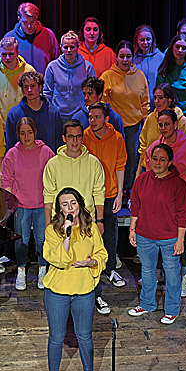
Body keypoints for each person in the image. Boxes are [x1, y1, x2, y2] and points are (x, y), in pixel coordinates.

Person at [41, 188, 107, 371]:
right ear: (59, 208)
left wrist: (92, 262)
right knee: (56, 337)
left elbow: (101, 253)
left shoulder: (91, 228)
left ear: (79, 203)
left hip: (83, 290)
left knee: (85, 337)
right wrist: (67, 236)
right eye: (64, 204)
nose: (69, 207)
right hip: (57, 291)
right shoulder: (53, 230)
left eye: (73, 203)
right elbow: (56, 259)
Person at [43, 120, 110, 315]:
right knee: (63, 258)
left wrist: (99, 221)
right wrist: (48, 225)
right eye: (70, 136)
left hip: (87, 223)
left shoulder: (93, 162)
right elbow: (48, 196)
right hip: (61, 223)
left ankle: (93, 296)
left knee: (90, 258)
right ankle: (60, 301)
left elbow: (99, 192)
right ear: (64, 138)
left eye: (79, 136)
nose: (75, 140)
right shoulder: (53, 164)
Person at [127, 143, 186, 323]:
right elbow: (136, 205)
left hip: (169, 237)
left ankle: (172, 309)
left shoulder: (178, 184)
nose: (157, 162)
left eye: (162, 159)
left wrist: (180, 240)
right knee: (147, 271)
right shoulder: (142, 179)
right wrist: (133, 229)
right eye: (154, 158)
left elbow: (183, 214)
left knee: (172, 273)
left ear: (170, 161)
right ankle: (147, 304)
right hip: (145, 235)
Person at [144, 108, 186, 298]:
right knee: (161, 236)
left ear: (176, 124)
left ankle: (185, 274)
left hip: (182, 201)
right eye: (160, 125)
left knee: (182, 239)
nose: (163, 128)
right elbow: (149, 173)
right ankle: (161, 271)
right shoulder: (154, 147)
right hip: (161, 202)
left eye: (167, 124)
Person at [0, 117, 55, 291]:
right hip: (21, 206)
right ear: (18, 135)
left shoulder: (46, 152)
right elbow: (6, 181)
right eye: (22, 133)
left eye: (29, 132)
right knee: (21, 241)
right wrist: (12, 203)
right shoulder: (12, 154)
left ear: (35, 132)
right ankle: (21, 271)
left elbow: (54, 175)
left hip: (41, 205)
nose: (26, 136)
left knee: (42, 240)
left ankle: (42, 270)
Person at [82, 103, 127, 288]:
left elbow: (120, 165)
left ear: (106, 119)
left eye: (97, 117)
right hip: (88, 194)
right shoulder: (84, 136)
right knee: (88, 232)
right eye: (90, 117)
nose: (92, 121)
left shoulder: (116, 138)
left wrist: (119, 195)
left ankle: (110, 269)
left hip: (109, 193)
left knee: (109, 232)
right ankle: (91, 269)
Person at [101, 39, 150, 202]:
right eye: (122, 56)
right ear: (116, 58)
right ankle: (113, 191)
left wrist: (145, 120)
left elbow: (145, 101)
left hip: (133, 126)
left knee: (131, 159)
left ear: (133, 57)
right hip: (113, 126)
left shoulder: (139, 75)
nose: (125, 60)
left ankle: (128, 192)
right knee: (114, 159)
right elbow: (102, 102)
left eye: (128, 56)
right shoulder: (107, 76)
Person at [136, 84, 186, 178]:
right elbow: (143, 148)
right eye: (155, 98)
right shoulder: (151, 118)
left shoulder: (182, 122)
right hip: (149, 171)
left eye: (160, 98)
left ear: (169, 99)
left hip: (174, 174)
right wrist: (138, 174)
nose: (156, 101)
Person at [5, 70, 63, 150]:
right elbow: (11, 145)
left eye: (32, 86)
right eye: (26, 87)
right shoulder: (14, 114)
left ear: (40, 87)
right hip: (23, 160)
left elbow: (59, 143)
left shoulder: (53, 112)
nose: (29, 90)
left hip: (49, 160)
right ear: (22, 90)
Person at [44, 30, 96, 119]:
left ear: (77, 47)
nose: (69, 51)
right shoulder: (52, 67)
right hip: (58, 115)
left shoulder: (87, 67)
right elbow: (47, 93)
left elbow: (93, 92)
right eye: (66, 47)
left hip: (81, 114)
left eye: (72, 47)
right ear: (61, 47)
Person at [0, 35, 35, 119]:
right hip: (0, 125)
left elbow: (36, 98)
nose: (7, 58)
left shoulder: (29, 70)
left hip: (25, 125)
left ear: (17, 53)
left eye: (11, 54)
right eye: (4, 54)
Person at [3, 1, 59, 74]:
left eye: (32, 22)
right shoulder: (9, 37)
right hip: (17, 84)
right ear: (19, 19)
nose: (29, 26)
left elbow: (56, 62)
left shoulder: (48, 35)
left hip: (44, 84)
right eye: (25, 22)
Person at [72, 76, 125, 140]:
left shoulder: (114, 118)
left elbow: (120, 144)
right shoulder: (77, 118)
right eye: (84, 94)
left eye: (90, 93)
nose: (86, 98)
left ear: (99, 95)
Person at [132, 24, 166, 99]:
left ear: (152, 39)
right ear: (136, 41)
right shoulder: (132, 58)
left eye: (148, 39)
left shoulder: (161, 57)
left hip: (156, 102)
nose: (145, 43)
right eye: (142, 40)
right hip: (137, 101)